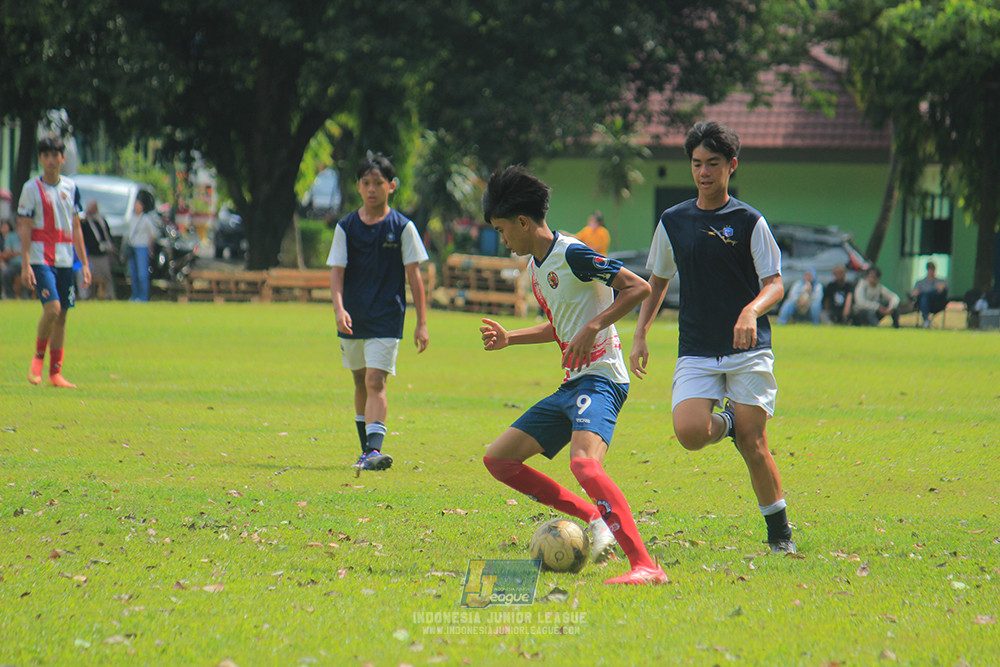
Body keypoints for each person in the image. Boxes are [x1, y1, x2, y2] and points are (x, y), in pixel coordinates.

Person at [479, 165, 666, 585]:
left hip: (602, 378)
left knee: (583, 465)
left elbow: (638, 287)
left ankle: (647, 566)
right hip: (572, 384)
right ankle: (592, 518)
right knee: (500, 460)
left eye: (503, 229)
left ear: (524, 222)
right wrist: (511, 338)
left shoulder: (574, 253)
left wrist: (595, 326)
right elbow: (559, 327)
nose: (502, 239)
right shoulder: (534, 269)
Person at [629, 121, 796, 555]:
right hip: (698, 347)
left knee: (754, 443)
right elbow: (658, 280)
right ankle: (727, 423)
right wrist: (641, 332)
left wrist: (750, 310)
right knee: (688, 432)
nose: (704, 172)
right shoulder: (673, 221)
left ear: (731, 166)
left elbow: (775, 283)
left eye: (713, 164)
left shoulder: (749, 221)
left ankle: (781, 538)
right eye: (697, 164)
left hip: (748, 348)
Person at [328, 152, 429, 472]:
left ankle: (373, 450)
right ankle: (366, 452)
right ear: (358, 186)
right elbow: (337, 273)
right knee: (359, 381)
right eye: (366, 183)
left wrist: (422, 323)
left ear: (392, 186)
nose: (372, 189)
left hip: (387, 316)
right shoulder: (346, 227)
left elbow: (415, 276)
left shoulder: (403, 227)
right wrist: (339, 309)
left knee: (375, 380)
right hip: (353, 316)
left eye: (379, 183)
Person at [17, 135, 90, 387]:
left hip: (65, 260)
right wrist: (26, 264)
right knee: (53, 309)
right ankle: (37, 360)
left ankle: (55, 372)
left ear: (62, 158)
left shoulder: (70, 188)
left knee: (63, 317)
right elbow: (24, 227)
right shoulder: (31, 189)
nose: (50, 160)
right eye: (45, 155)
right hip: (41, 259)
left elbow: (76, 227)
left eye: (54, 155)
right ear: (40, 158)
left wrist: (85, 263)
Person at [78, 199, 116, 300]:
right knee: (89, 276)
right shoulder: (85, 222)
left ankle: (109, 295)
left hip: (103, 253)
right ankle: (88, 296)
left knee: (106, 276)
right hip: (91, 254)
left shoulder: (101, 220)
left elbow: (107, 235)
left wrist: (111, 248)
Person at [125, 190, 158, 302]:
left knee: (142, 273)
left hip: (142, 247)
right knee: (133, 273)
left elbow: (153, 234)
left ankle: (143, 296)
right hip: (132, 246)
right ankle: (135, 295)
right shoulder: (132, 218)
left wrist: (150, 247)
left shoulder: (146, 219)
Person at [909, 261, 948, 328]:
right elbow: (914, 292)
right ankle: (926, 320)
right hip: (923, 302)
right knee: (924, 296)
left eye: (932, 269)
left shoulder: (940, 281)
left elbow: (943, 289)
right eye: (929, 269)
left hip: (936, 302)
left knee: (927, 294)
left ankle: (926, 320)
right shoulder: (920, 283)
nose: (931, 271)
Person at [2, 219, 24, 299]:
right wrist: (19, 252)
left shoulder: (29, 235)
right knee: (6, 273)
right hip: (14, 263)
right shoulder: (11, 236)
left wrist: (15, 252)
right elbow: (7, 252)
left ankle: (28, 296)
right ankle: (10, 296)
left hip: (26, 263)